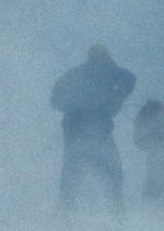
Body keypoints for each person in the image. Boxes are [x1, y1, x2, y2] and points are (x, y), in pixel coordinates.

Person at [50, 44, 136, 214]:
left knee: (71, 174)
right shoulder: (108, 70)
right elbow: (129, 78)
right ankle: (117, 214)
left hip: (74, 131)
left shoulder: (74, 73)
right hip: (99, 129)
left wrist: (73, 106)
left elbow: (54, 100)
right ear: (106, 56)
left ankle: (64, 215)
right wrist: (117, 96)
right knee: (112, 171)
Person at [133, 99, 164, 208]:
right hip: (154, 169)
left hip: (155, 169)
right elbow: (138, 140)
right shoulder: (152, 113)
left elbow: (138, 140)